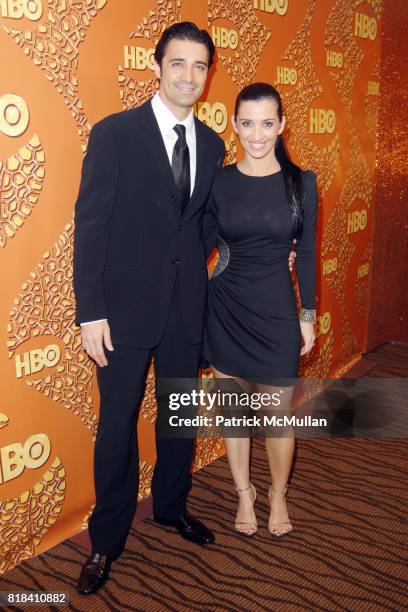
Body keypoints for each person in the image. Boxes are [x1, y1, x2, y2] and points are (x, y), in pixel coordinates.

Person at [73, 22, 225, 595]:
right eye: (178, 63)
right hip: (122, 314)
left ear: (208, 75)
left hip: (187, 309)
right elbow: (91, 227)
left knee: (178, 419)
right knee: (115, 428)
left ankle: (170, 507)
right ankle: (106, 541)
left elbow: (204, 226)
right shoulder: (114, 134)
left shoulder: (212, 146)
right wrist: (91, 312)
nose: (189, 75)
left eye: (200, 66)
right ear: (157, 67)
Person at [202, 82, 318, 538]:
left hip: (275, 314)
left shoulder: (301, 183)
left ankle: (278, 494)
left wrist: (306, 315)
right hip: (226, 307)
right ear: (234, 126)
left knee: (277, 417)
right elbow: (199, 244)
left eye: (266, 123)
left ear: (281, 125)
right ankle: (244, 495)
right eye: (247, 123)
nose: (256, 134)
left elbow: (306, 254)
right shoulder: (219, 182)